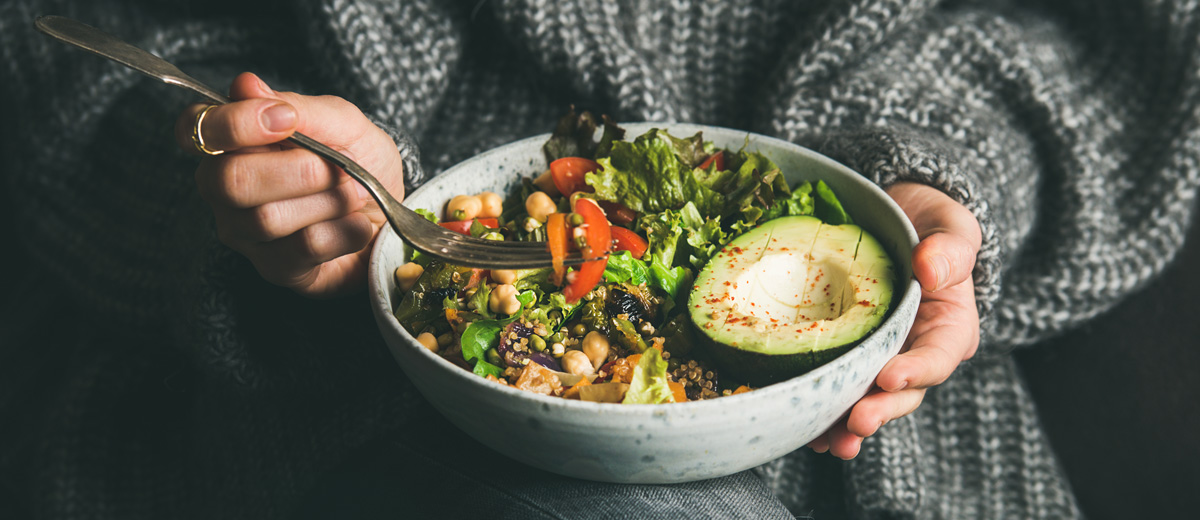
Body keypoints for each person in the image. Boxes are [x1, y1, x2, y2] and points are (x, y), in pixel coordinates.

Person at [1, 0, 1195, 518]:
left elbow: (1118, 46)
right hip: (323, 411)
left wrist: (935, 177)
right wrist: (244, 190)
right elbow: (70, 55)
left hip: (892, 430)